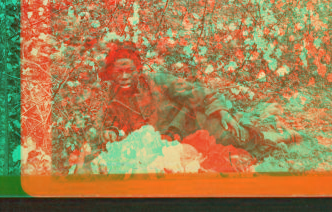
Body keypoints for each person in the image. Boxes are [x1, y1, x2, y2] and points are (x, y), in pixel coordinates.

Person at [77, 43, 301, 173]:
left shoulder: (158, 81)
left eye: (130, 70)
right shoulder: (112, 100)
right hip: (172, 146)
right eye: (119, 72)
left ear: (138, 69)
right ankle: (266, 121)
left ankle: (279, 135)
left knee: (238, 138)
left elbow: (199, 93)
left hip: (195, 124)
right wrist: (111, 133)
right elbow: (111, 127)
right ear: (111, 74)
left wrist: (222, 113)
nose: (125, 77)